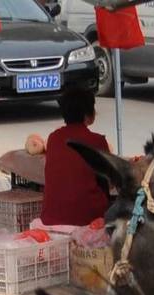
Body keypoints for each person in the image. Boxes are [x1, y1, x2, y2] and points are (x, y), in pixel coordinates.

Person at [40, 88, 112, 228]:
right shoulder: (97, 141)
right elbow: (107, 181)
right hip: (88, 218)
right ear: (88, 114)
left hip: (50, 217)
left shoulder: (53, 138)